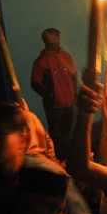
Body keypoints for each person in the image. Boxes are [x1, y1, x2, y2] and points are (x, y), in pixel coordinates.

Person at [30, 28, 78, 160]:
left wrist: (74, 93)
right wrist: (50, 95)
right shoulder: (41, 62)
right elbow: (35, 83)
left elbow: (74, 75)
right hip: (54, 106)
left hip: (69, 102)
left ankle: (69, 158)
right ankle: (60, 160)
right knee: (56, 135)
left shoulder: (66, 57)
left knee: (68, 132)